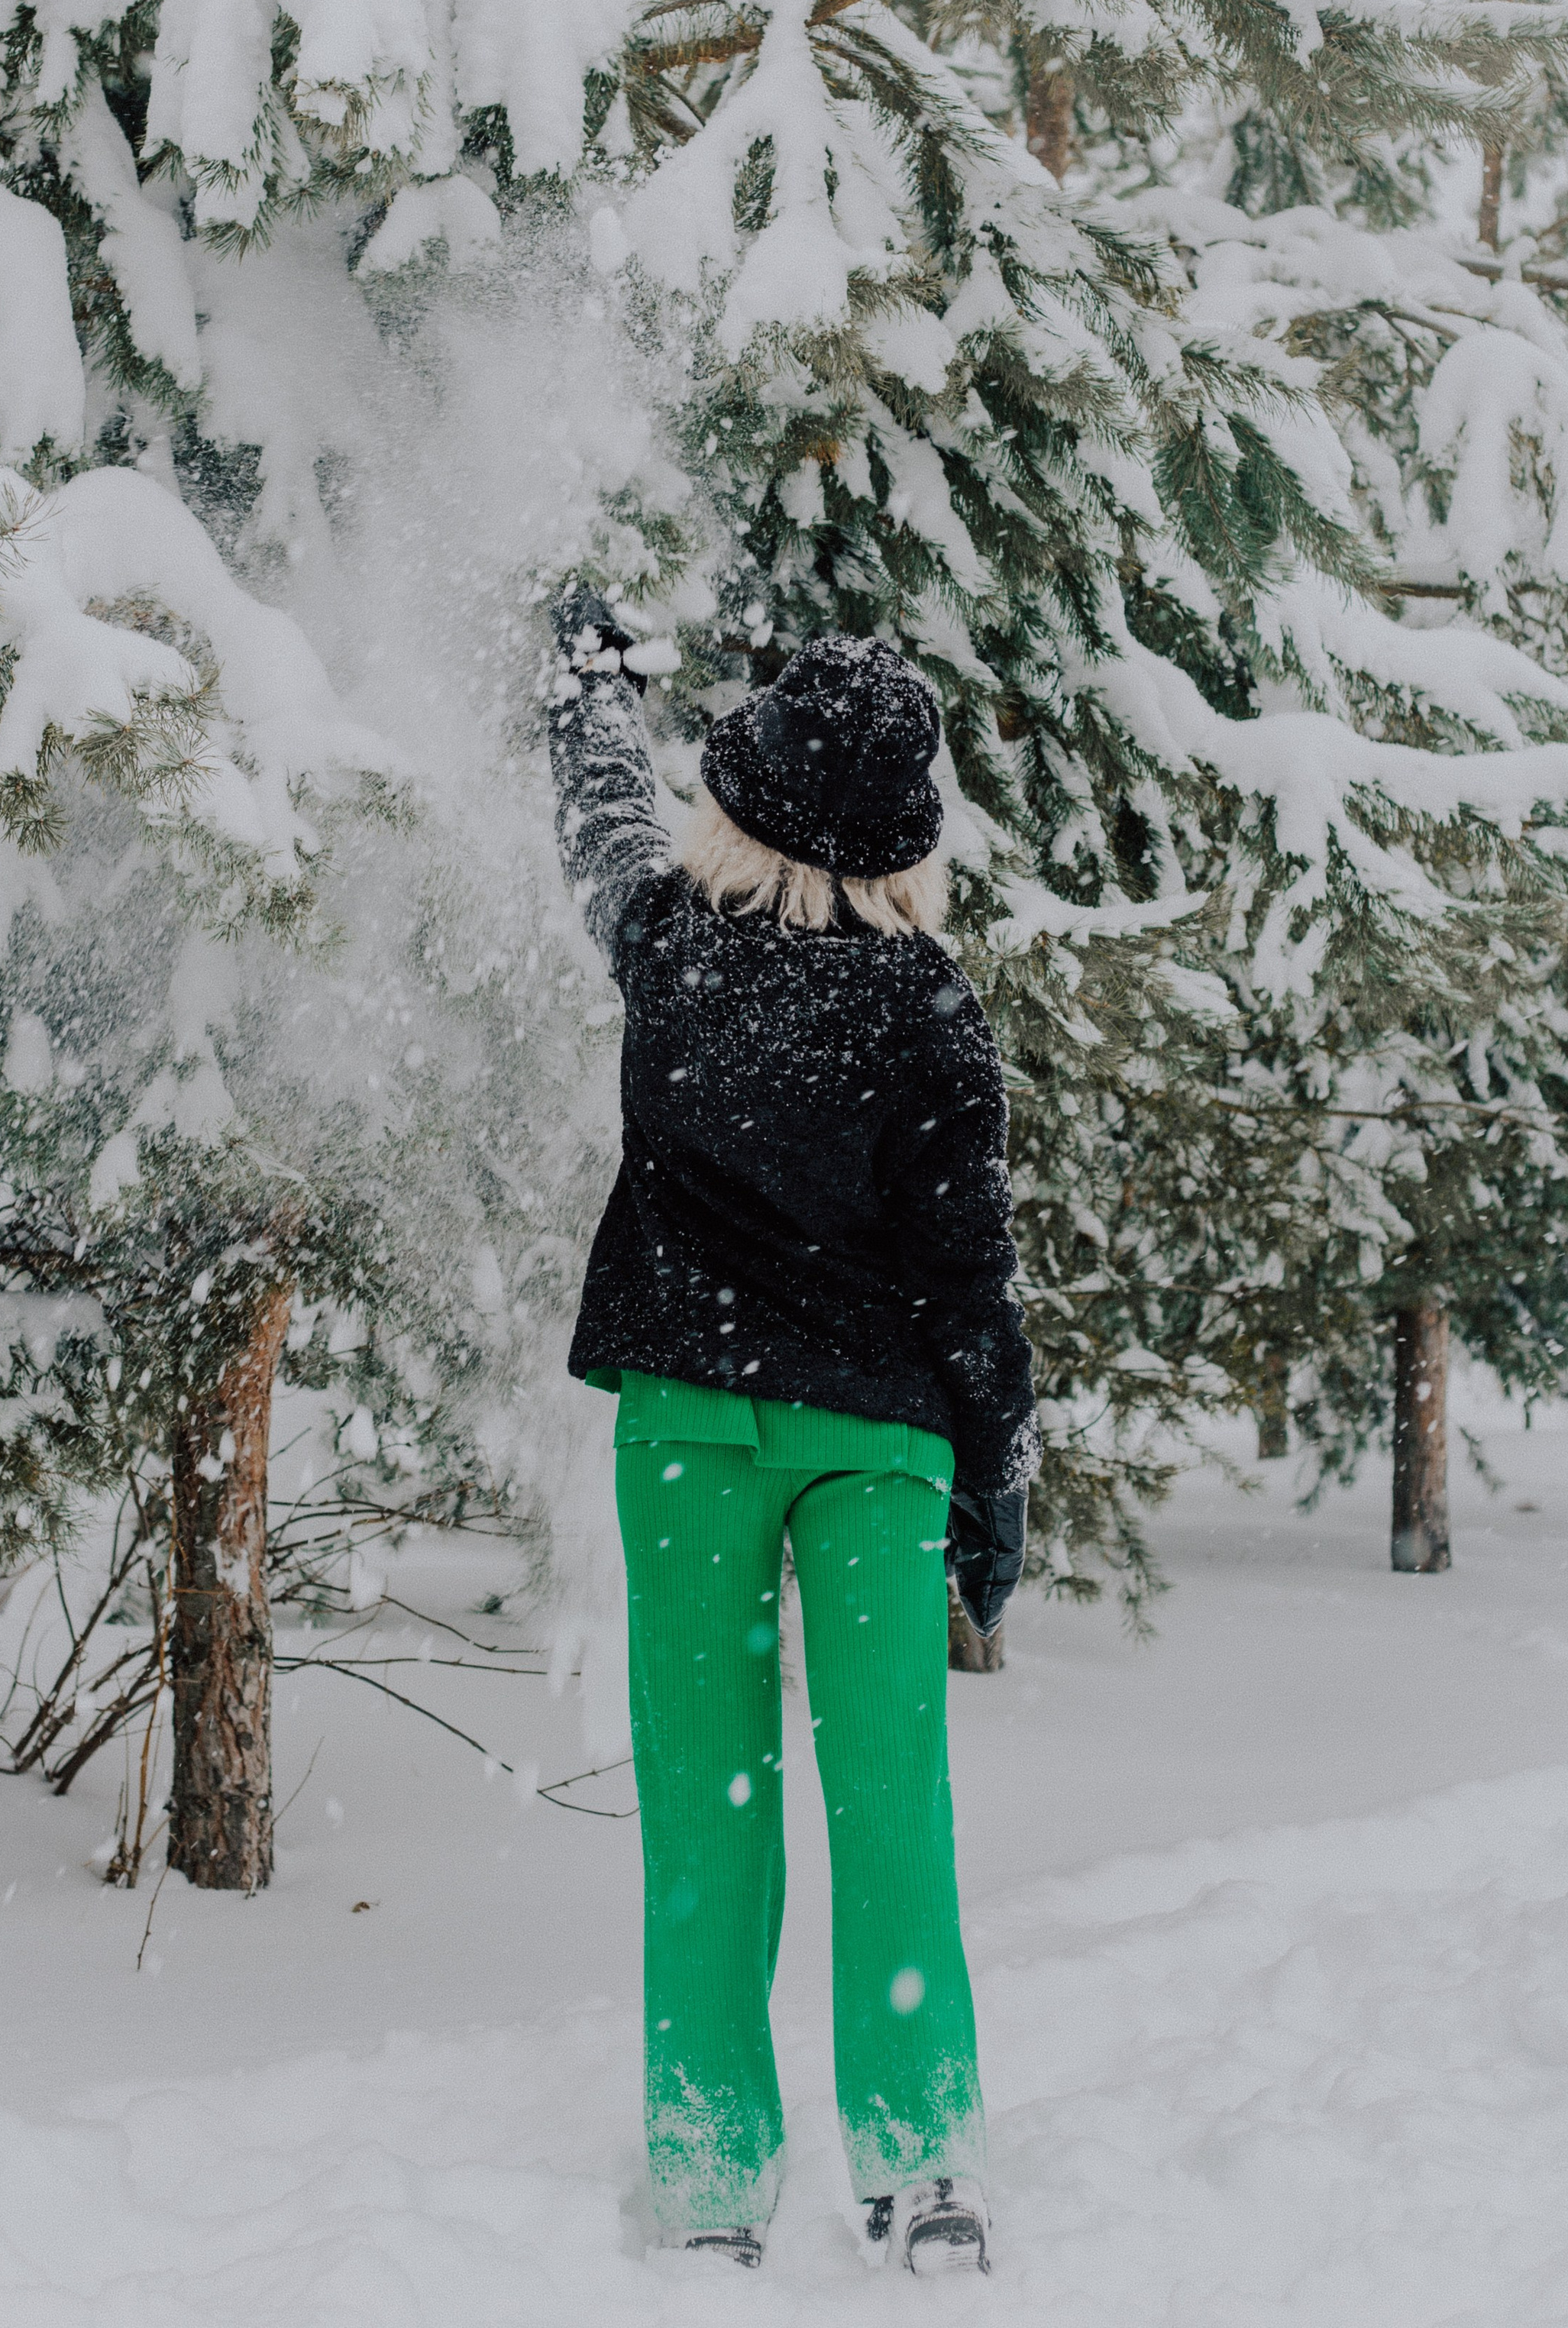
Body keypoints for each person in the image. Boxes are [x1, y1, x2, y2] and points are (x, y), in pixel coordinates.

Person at [548, 584, 1036, 2278]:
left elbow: (602, 819)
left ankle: (705, 2182)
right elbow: (969, 1287)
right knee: (887, 1793)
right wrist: (995, 1486)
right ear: (909, 834)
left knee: (705, 1801)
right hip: (878, 1451)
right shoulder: (929, 1014)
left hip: (687, 1424)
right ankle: (918, 2169)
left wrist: (590, 688)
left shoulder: (669, 942)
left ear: (739, 798)